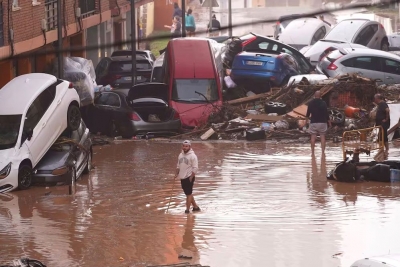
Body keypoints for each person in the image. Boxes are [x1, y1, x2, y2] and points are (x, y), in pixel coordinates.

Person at [174, 140, 200, 214]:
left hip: (189, 177)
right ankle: (195, 207)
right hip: (182, 177)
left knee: (188, 194)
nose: (184, 148)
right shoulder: (180, 155)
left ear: (189, 147)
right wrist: (176, 174)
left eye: (186, 146)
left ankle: (187, 210)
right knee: (188, 193)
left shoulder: (193, 156)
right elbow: (178, 166)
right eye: (183, 146)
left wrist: (191, 177)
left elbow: (195, 168)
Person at [306, 91, 331, 155]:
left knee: (313, 137)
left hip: (313, 122)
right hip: (322, 122)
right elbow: (326, 113)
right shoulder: (323, 103)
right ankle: (323, 152)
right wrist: (329, 122)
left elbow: (308, 114)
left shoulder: (311, 103)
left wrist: (306, 122)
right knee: (322, 137)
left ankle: (313, 153)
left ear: (314, 95)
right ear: (320, 96)